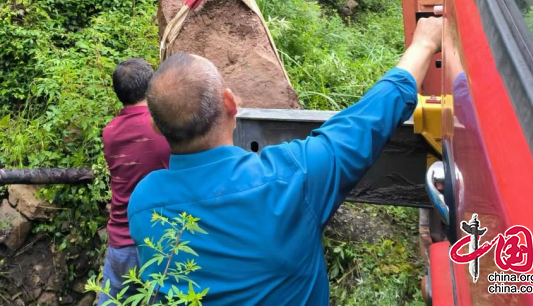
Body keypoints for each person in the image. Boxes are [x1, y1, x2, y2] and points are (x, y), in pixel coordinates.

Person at [128, 17, 443, 305]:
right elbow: (367, 122)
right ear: (229, 103)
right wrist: (425, 43)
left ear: (155, 126)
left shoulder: (142, 204)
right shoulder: (291, 178)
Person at [99, 58, 171, 304]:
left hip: (120, 240)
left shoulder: (110, 132)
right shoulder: (163, 128)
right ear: (151, 87)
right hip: (157, 242)